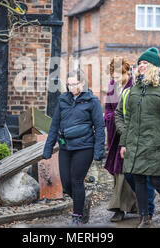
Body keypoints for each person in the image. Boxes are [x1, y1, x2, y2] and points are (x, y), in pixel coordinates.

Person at [119, 47, 160, 228]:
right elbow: (128, 118)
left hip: (156, 143)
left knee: (155, 179)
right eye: (139, 63)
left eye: (145, 62)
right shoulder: (134, 89)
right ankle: (144, 219)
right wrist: (124, 143)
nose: (141, 66)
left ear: (154, 66)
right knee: (138, 179)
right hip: (136, 142)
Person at [42, 69, 105, 225]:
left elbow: (99, 127)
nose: (70, 87)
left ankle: (77, 217)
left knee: (76, 181)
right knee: (66, 182)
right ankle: (83, 203)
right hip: (65, 147)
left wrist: (99, 151)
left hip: (84, 147)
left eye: (74, 84)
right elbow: (54, 125)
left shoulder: (92, 101)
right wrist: (48, 148)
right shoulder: (63, 100)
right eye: (68, 84)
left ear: (82, 83)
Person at [104, 57, 155, 222]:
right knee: (119, 172)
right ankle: (123, 208)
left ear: (128, 72)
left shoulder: (133, 87)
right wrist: (111, 119)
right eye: (113, 75)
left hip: (131, 135)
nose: (116, 78)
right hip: (116, 136)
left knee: (129, 172)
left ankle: (127, 207)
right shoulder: (112, 87)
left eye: (119, 75)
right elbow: (108, 110)